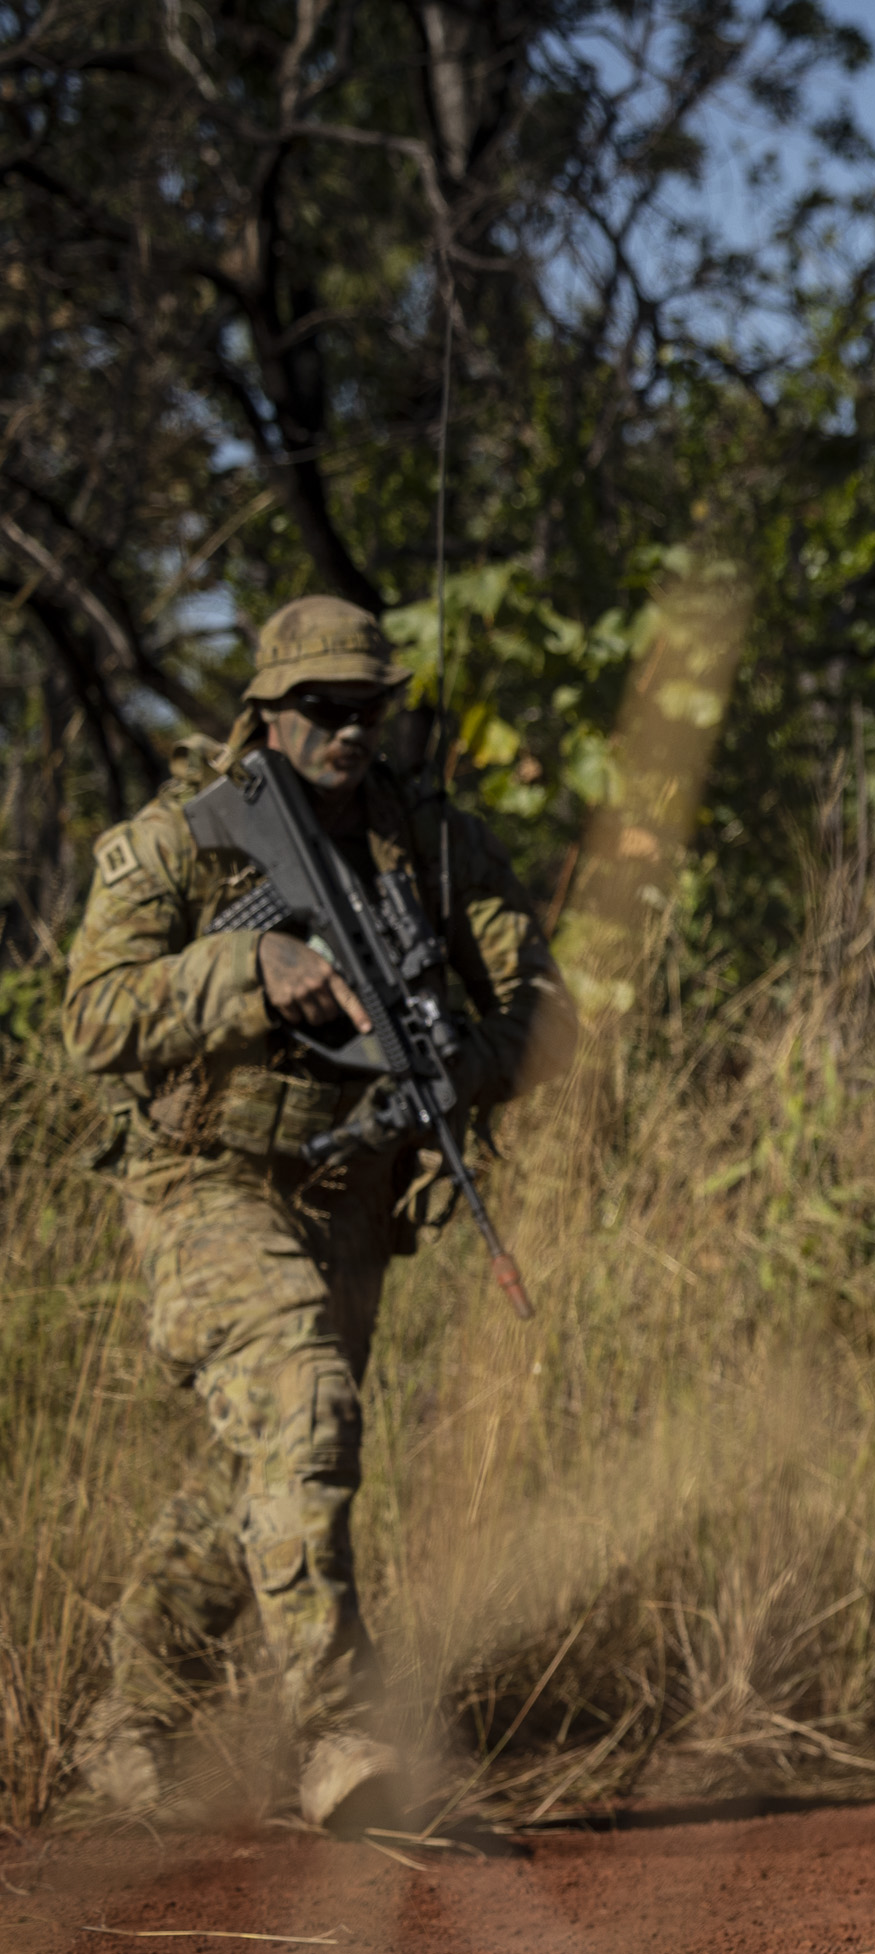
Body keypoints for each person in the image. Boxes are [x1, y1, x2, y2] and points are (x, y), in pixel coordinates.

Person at [60, 595, 570, 1832]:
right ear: (268, 712)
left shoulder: (430, 843)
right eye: (320, 709)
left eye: (367, 708)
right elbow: (93, 1016)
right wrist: (250, 973)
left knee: (277, 1464)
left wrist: (467, 1066)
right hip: (204, 1178)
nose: (348, 729)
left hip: (352, 1194)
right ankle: (343, 1733)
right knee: (306, 1403)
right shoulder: (184, 842)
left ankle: (122, 1727)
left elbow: (542, 1007)